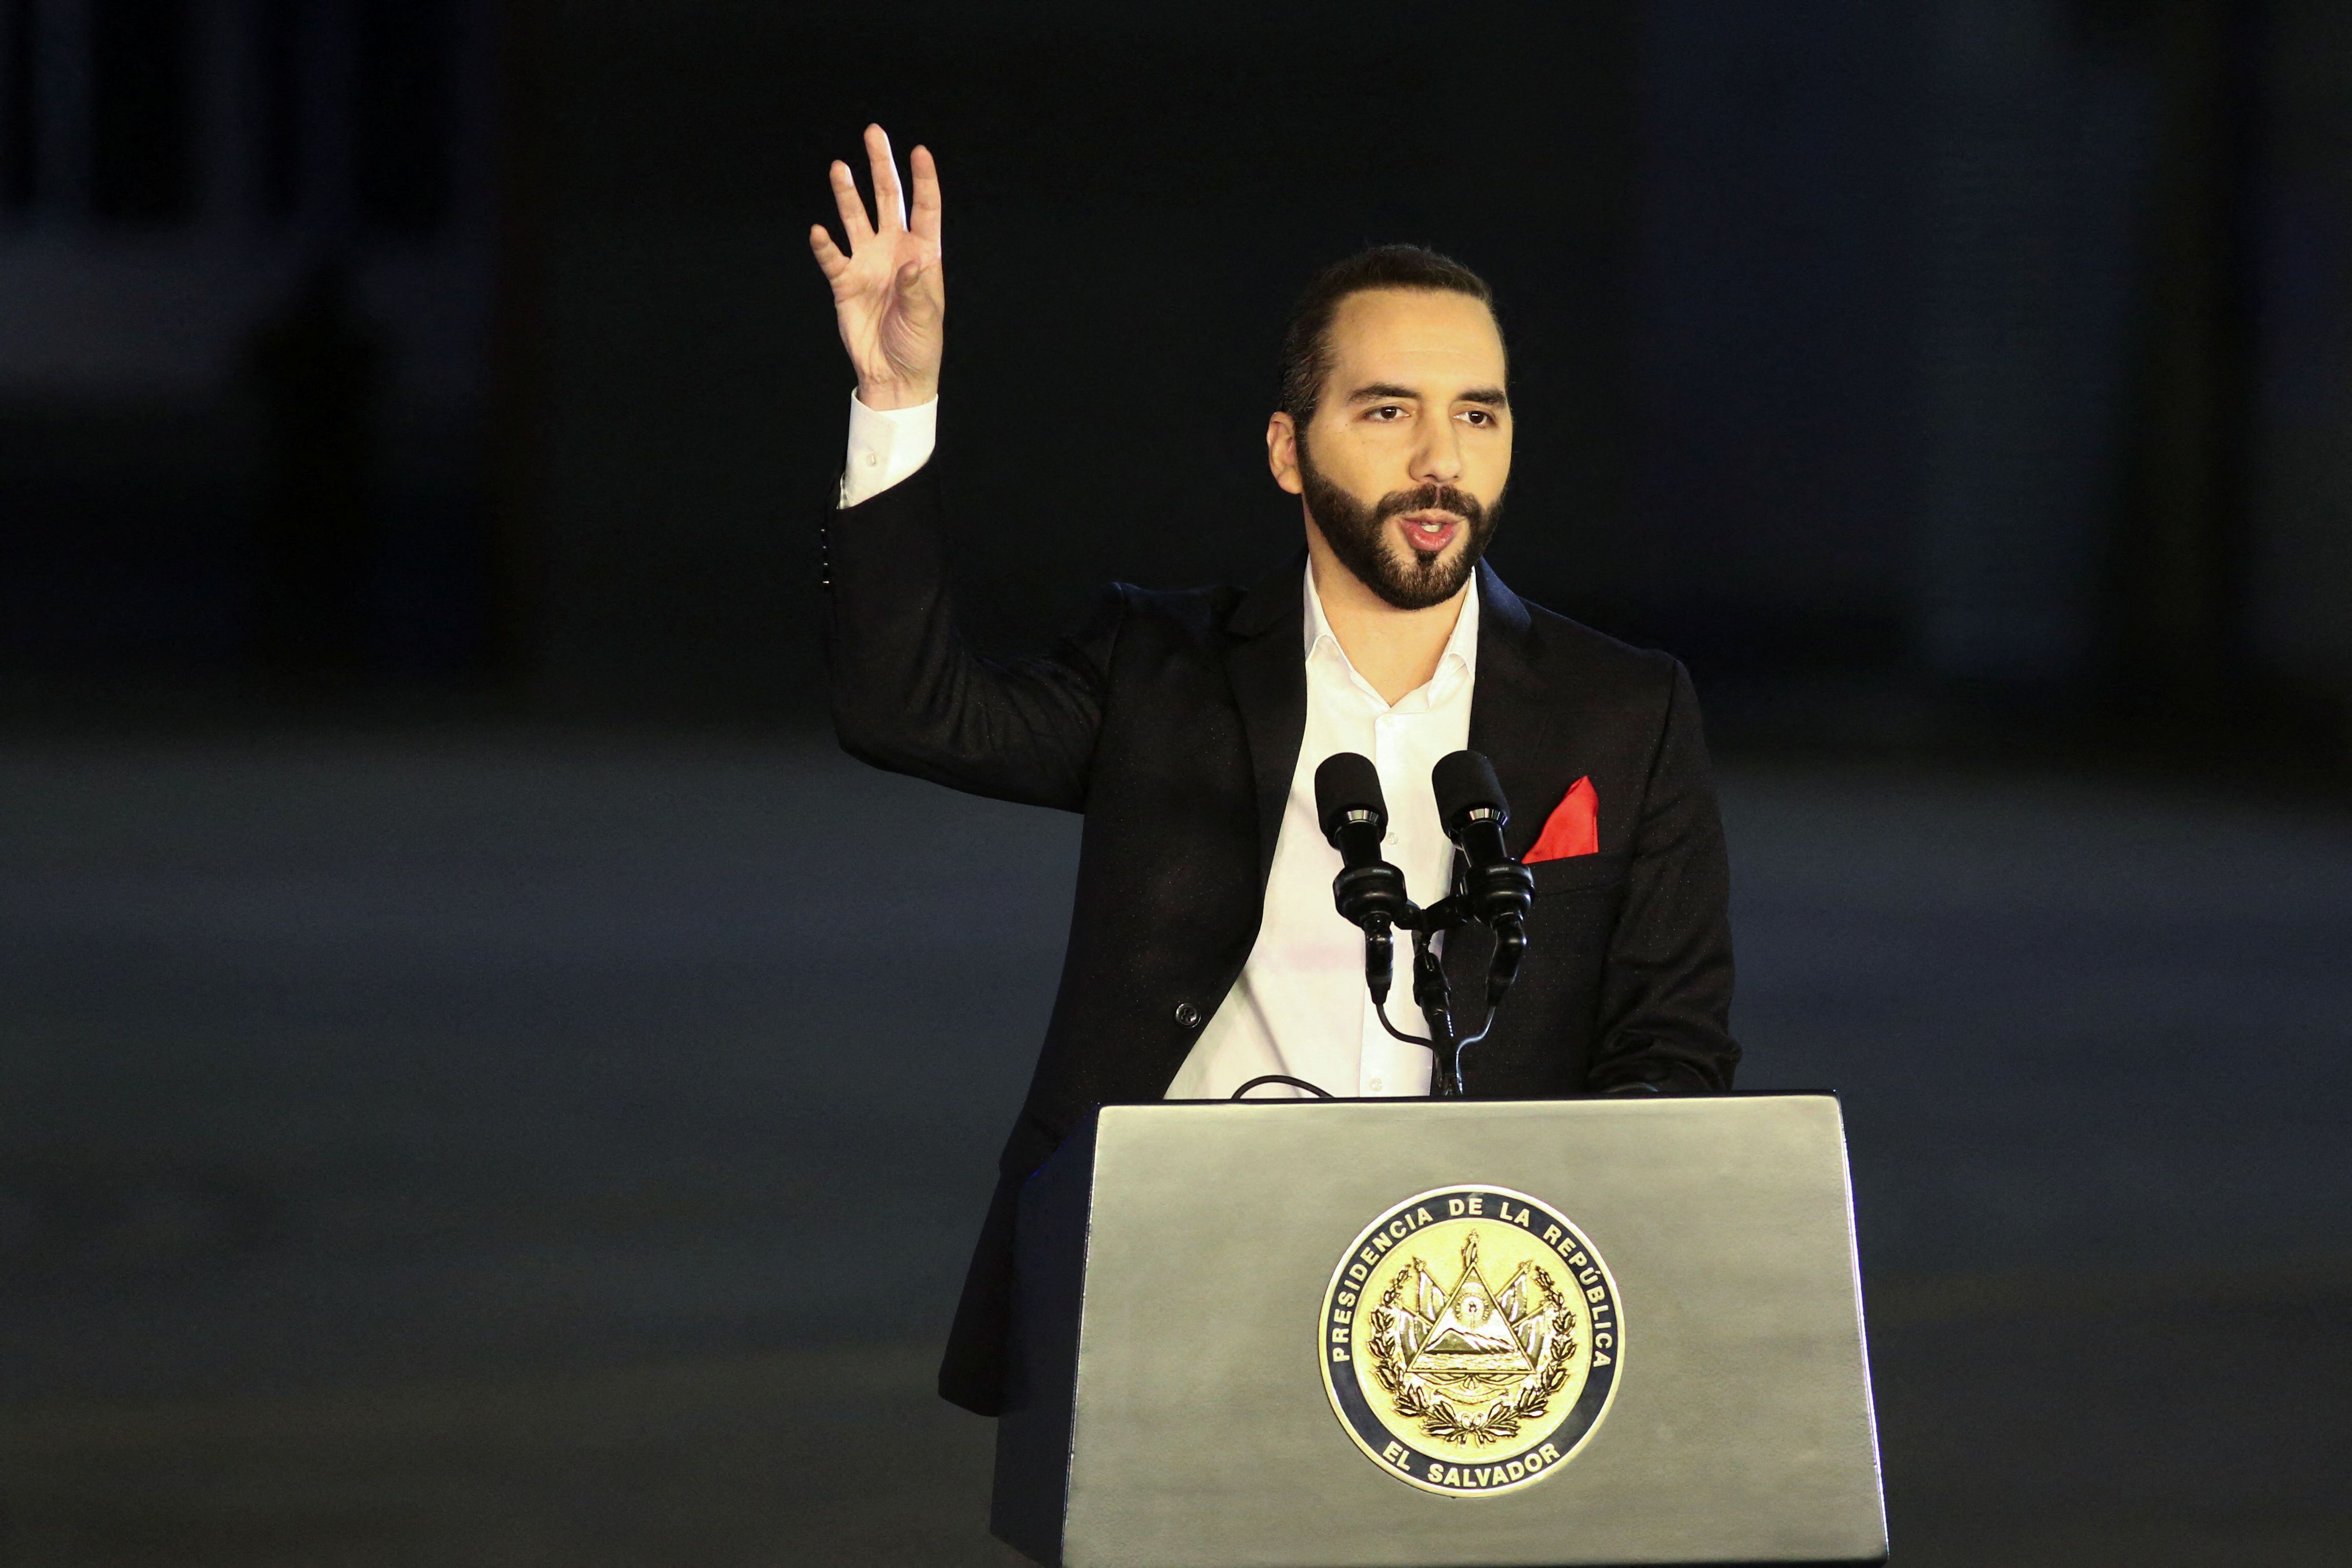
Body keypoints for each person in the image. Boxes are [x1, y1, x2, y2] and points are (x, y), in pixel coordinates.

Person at [809, 124, 1737, 1416]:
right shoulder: (1162, 667)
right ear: (1287, 450)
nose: (1438, 458)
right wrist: (895, 400)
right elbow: (906, 710)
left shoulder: (1624, 710)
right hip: (1174, 1285)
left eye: (1476, 413)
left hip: (1467, 1330)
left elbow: (1670, 1046)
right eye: (1387, 411)